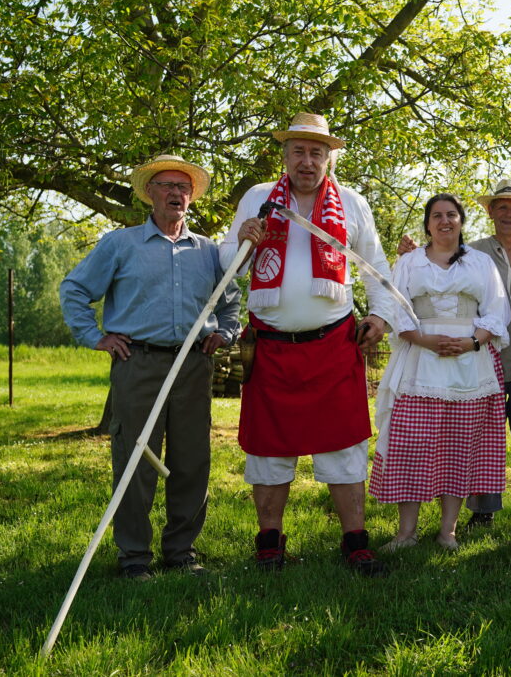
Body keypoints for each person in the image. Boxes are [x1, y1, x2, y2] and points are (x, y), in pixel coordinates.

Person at [219, 112, 394, 577]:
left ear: (329, 158)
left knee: (344, 447)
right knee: (268, 450)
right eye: (298, 150)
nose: (307, 161)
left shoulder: (351, 203)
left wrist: (380, 316)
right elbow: (227, 265)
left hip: (333, 344)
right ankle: (269, 543)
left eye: (317, 152)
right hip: (271, 349)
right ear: (285, 155)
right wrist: (241, 241)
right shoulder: (258, 198)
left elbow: (375, 266)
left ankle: (355, 542)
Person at [60, 154, 242, 580]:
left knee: (192, 459)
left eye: (183, 187)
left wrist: (225, 333)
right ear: (149, 193)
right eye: (167, 186)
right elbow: (74, 289)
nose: (176, 193)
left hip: (193, 365)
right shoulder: (120, 245)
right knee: (135, 459)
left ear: (191, 196)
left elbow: (231, 301)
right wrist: (95, 336)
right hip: (137, 362)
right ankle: (134, 556)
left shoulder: (210, 251)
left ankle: (181, 552)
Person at [398, 178, 511, 528]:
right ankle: (482, 512)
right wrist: (410, 252)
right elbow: (435, 262)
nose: (509, 214)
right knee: (478, 436)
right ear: (491, 212)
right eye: (502, 207)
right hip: (483, 357)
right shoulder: (475, 251)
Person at [370, 194, 510, 551]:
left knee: (458, 448)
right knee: (410, 446)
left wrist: (472, 342)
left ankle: (448, 531)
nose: (444, 221)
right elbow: (397, 307)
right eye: (437, 216)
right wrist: (425, 339)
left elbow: (497, 310)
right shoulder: (410, 262)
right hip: (420, 361)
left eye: (451, 215)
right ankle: (406, 533)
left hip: (470, 365)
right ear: (428, 224)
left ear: (461, 221)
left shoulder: (479, 262)